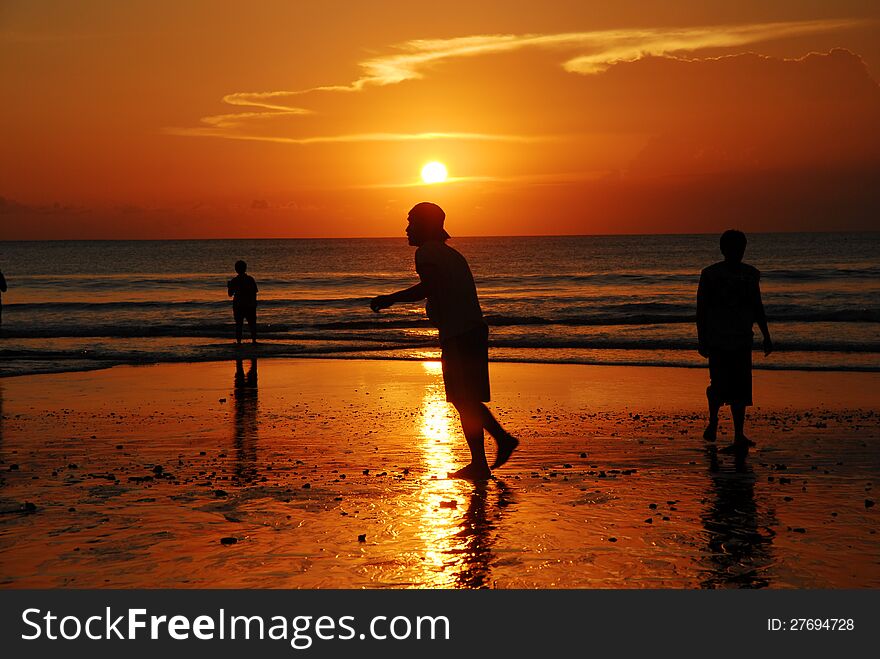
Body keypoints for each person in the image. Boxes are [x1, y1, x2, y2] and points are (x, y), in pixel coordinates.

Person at [370, 202, 519, 481]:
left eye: (411, 222)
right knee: (466, 400)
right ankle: (483, 460)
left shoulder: (428, 252)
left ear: (425, 226)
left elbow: (429, 287)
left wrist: (389, 299)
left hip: (460, 333)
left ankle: (497, 444)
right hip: (470, 330)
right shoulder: (449, 254)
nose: (406, 228)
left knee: (463, 399)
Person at [697, 230, 773, 453]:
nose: (738, 252)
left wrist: (766, 335)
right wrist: (702, 339)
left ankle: (738, 435)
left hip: (742, 338)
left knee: (741, 389)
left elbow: (757, 306)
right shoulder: (710, 275)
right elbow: (701, 309)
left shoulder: (751, 274)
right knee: (719, 385)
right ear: (723, 250)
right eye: (733, 248)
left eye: (741, 248)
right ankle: (713, 420)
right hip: (718, 339)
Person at [227, 260, 258, 344]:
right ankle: (254, 341)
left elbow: (230, 294)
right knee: (252, 324)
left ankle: (239, 342)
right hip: (249, 305)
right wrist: (254, 303)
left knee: (239, 325)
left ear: (236, 269)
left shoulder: (234, 281)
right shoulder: (250, 279)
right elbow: (254, 292)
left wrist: (229, 287)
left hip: (238, 305)